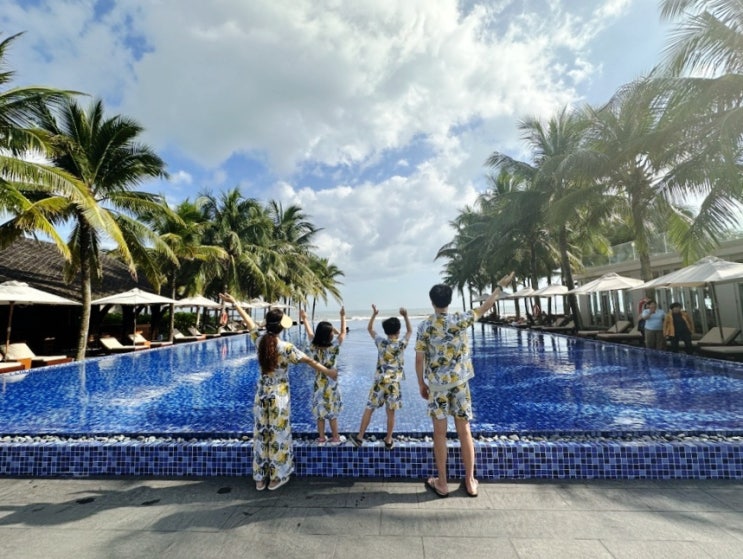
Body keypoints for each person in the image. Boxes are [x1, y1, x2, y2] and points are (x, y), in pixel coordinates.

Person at [219, 293, 337, 492]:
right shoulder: (286, 348)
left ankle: (260, 478)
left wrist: (236, 304)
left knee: (261, 434)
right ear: (282, 327)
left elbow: (249, 323)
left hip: (261, 395)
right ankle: (276, 478)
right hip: (279, 398)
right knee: (278, 435)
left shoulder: (260, 341)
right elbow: (308, 360)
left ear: (267, 324)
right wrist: (328, 372)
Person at [416, 271, 514, 499]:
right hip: (460, 385)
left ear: (432, 302)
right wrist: (499, 287)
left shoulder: (425, 326)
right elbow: (486, 306)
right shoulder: (460, 319)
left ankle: (442, 483)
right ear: (449, 301)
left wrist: (421, 383)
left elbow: (419, 359)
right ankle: (470, 481)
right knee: (464, 431)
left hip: (437, 387)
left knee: (439, 434)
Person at [349, 305, 412, 449]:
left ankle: (359, 437)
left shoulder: (381, 342)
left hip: (379, 382)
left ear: (385, 331)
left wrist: (374, 314)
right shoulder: (401, 344)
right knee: (391, 413)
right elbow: (409, 331)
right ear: (398, 331)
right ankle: (388, 440)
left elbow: (370, 329)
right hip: (393, 384)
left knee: (369, 408)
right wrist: (406, 316)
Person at [299, 307, 347, 444]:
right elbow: (343, 332)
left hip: (319, 384)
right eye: (331, 331)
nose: (333, 333)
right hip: (331, 385)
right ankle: (335, 437)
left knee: (320, 413)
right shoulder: (334, 347)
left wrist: (304, 318)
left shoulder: (313, 346)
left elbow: (309, 332)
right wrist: (343, 316)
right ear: (329, 335)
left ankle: (321, 437)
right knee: (332, 413)